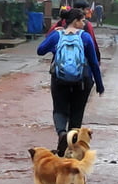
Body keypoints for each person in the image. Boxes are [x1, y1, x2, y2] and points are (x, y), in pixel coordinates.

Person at [37, 8, 105, 156]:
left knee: (59, 110)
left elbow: (40, 50)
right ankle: (70, 149)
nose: (84, 22)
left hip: (59, 79)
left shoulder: (57, 35)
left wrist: (55, 37)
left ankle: (62, 133)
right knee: (76, 113)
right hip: (82, 81)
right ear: (75, 21)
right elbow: (93, 63)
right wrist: (99, 85)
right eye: (82, 20)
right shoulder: (85, 37)